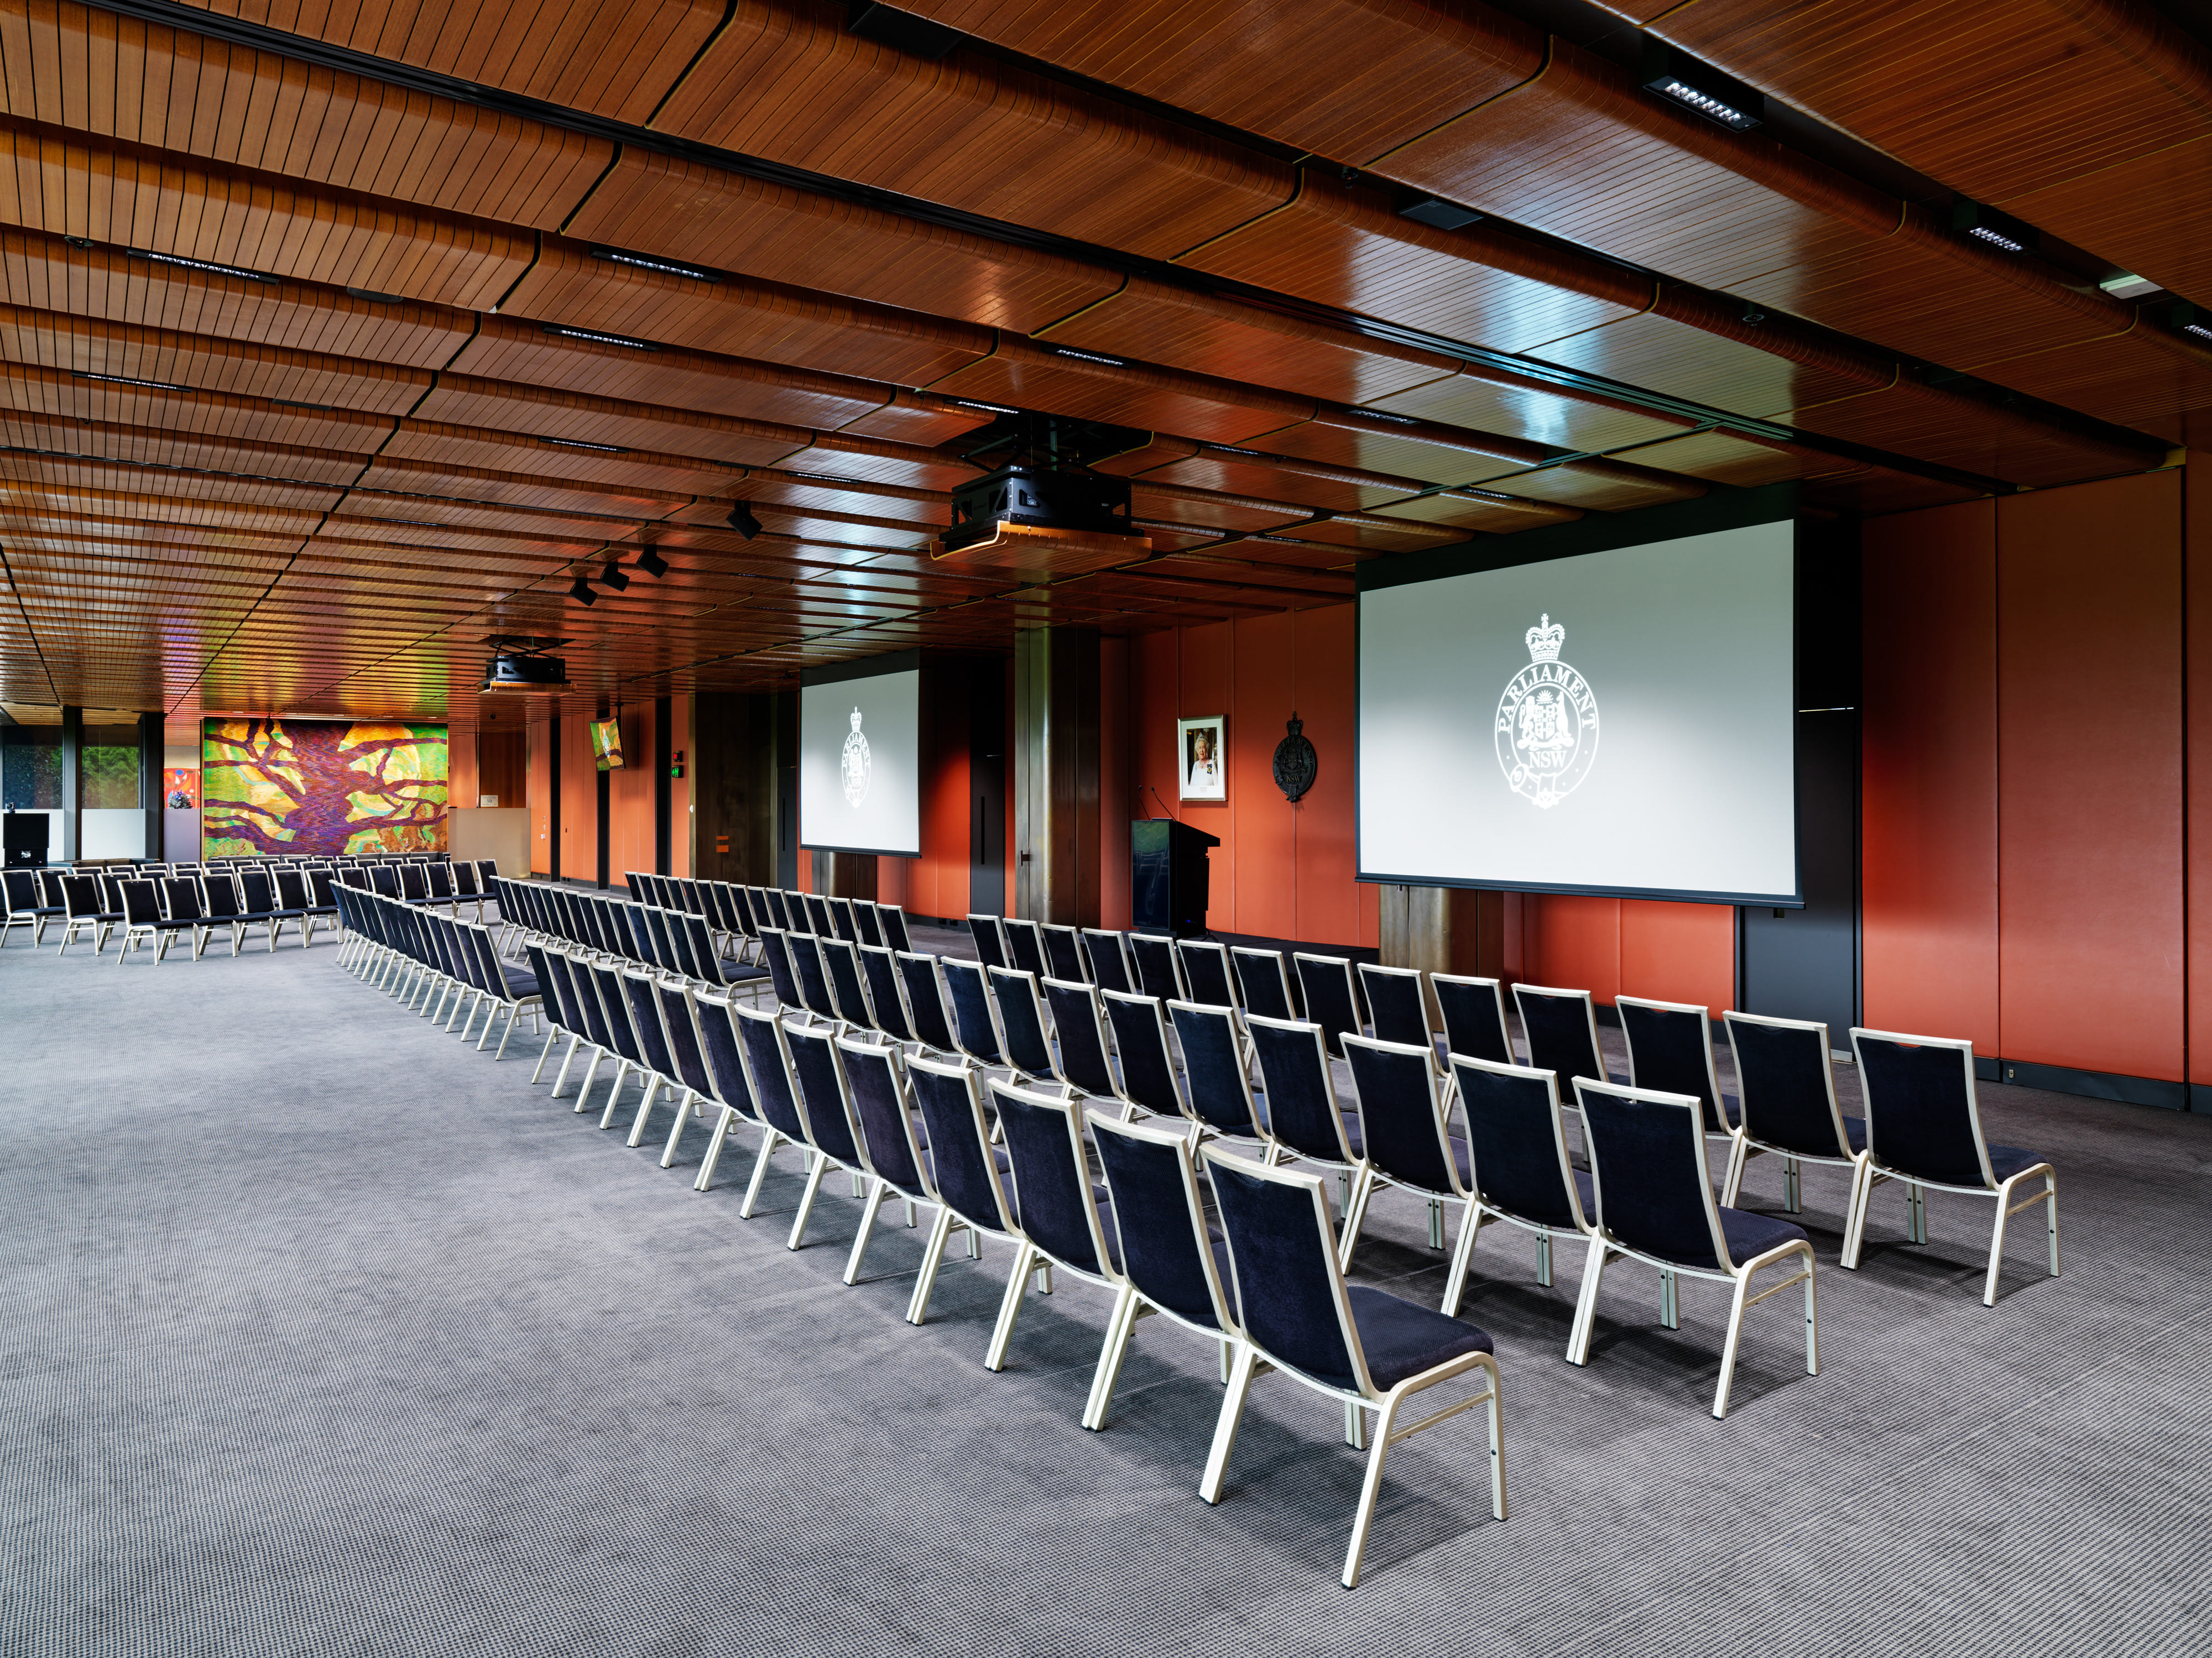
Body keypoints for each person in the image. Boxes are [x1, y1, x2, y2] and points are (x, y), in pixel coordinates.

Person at [1187, 729, 1220, 796]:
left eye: (1203, 747)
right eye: (1200, 748)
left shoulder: (1210, 764)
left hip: (1210, 796)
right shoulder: (1196, 765)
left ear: (1206, 749)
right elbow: (1192, 786)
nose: (1201, 751)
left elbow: (1217, 785)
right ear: (1197, 750)